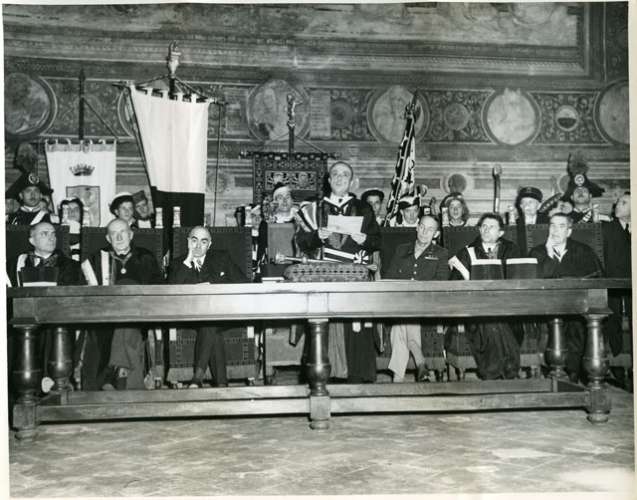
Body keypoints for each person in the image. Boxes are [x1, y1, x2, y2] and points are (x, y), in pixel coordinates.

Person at [296, 161, 381, 383]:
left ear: (352, 181)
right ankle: (324, 375)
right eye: (335, 174)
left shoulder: (363, 208)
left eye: (345, 175)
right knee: (324, 324)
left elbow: (377, 241)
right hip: (323, 276)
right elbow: (300, 241)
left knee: (355, 326)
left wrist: (366, 239)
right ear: (329, 179)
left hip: (355, 276)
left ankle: (357, 374)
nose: (340, 178)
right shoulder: (314, 208)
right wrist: (316, 236)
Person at [81, 219, 163, 390]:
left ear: (131, 235)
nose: (119, 237)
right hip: (105, 315)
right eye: (114, 233)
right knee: (122, 327)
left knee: (126, 321)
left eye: (123, 232)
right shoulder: (97, 259)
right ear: (108, 238)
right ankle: (122, 373)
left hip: (141, 313)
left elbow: (158, 288)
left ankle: (109, 375)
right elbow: (86, 293)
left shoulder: (145, 257)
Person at [6, 221, 85, 392]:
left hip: (57, 321)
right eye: (44, 233)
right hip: (23, 320)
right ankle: (19, 389)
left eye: (53, 234)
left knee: (54, 328)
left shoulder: (71, 266)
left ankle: (52, 382)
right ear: (32, 240)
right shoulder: (14, 265)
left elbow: (75, 302)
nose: (51, 237)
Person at [168, 226, 249, 388]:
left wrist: (215, 287)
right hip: (190, 316)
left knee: (210, 323)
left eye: (203, 242)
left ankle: (198, 378)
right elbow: (170, 293)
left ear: (209, 245)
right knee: (211, 327)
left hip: (223, 313)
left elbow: (244, 284)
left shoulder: (222, 258)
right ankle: (221, 385)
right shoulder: (178, 264)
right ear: (188, 242)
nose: (198, 246)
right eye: (194, 240)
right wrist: (188, 261)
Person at [529, 213, 604, 383]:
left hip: (577, 306)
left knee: (577, 324)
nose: (555, 230)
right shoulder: (537, 252)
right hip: (546, 306)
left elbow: (597, 279)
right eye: (552, 225)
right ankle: (559, 374)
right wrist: (549, 254)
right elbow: (535, 281)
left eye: (561, 226)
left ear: (569, 231)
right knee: (558, 321)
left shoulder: (583, 251)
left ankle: (573, 375)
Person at [448, 213, 522, 380]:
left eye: (491, 227)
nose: (486, 230)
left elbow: (519, 279)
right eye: (484, 226)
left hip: (508, 308)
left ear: (501, 232)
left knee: (497, 318)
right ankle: (507, 371)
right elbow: (453, 285)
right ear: (479, 229)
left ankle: (492, 373)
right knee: (491, 319)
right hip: (476, 310)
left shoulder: (511, 250)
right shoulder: (467, 253)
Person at [384, 215, 449, 382]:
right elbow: (390, 277)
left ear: (436, 234)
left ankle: (398, 379)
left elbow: (441, 282)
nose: (424, 232)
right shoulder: (401, 249)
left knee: (401, 322)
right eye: (422, 227)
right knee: (403, 318)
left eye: (430, 229)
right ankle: (421, 365)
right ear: (417, 227)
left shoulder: (441, 253)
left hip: (426, 303)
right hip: (401, 302)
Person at [602, 192, 631, 362]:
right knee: (612, 320)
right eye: (618, 202)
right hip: (612, 284)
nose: (618, 205)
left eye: (624, 203)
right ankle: (616, 360)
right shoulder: (606, 229)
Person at [561, 152, 609, 223]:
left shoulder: (604, 219)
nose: (580, 192)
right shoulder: (562, 219)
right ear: (572, 197)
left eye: (584, 191)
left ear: (590, 195)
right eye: (577, 191)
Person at [58, 197, 84, 261]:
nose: (72, 212)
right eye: (68, 210)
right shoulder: (56, 231)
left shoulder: (88, 231)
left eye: (76, 209)